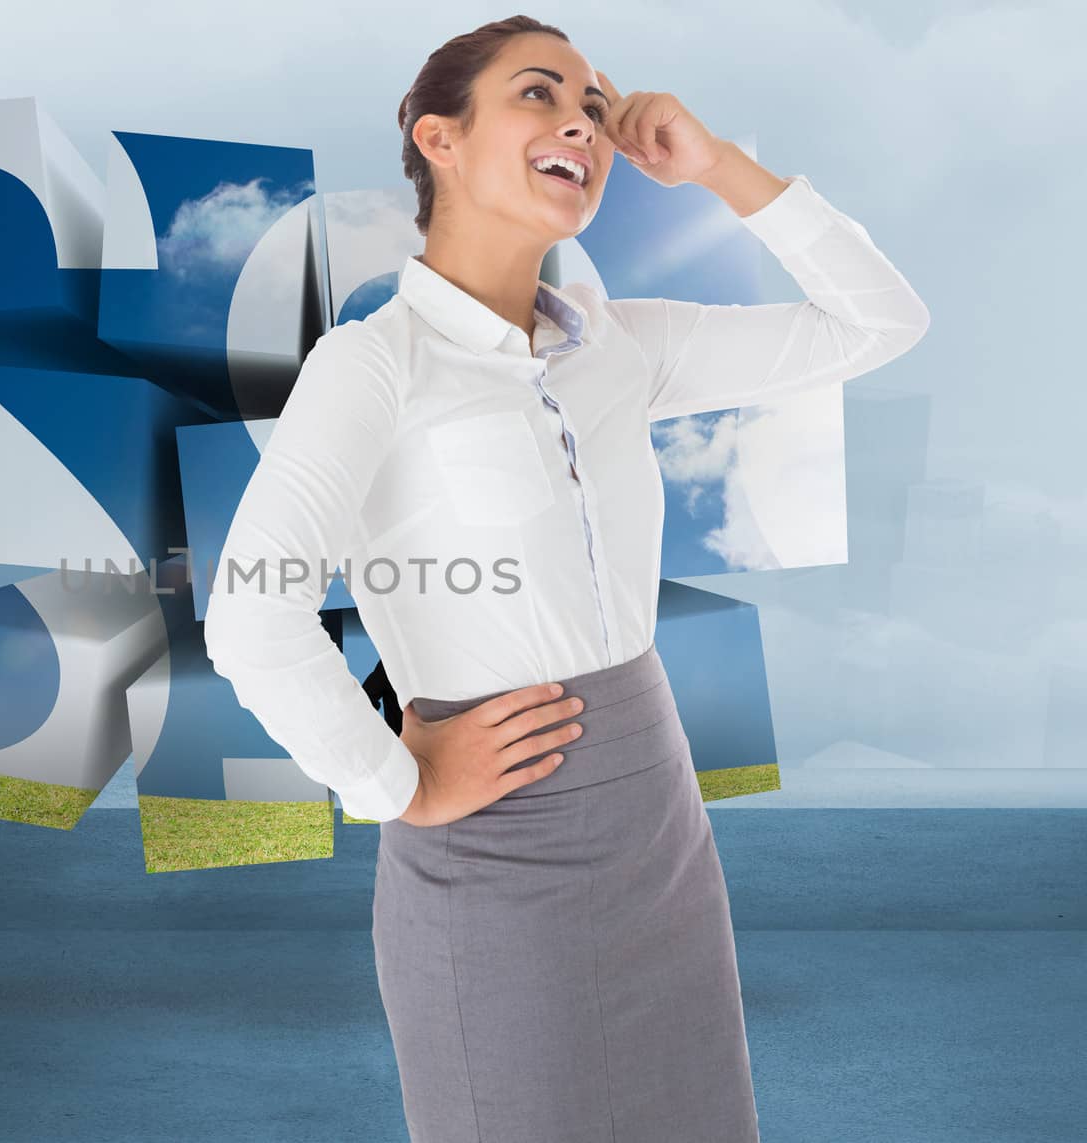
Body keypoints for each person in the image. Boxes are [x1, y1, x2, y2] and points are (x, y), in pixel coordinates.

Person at [203, 15, 929, 1142]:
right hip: (494, 845)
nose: (581, 124)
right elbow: (252, 614)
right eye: (539, 96)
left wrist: (717, 166)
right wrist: (394, 782)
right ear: (438, 140)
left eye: (593, 106)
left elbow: (878, 321)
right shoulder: (373, 365)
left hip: (658, 819)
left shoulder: (614, 346)